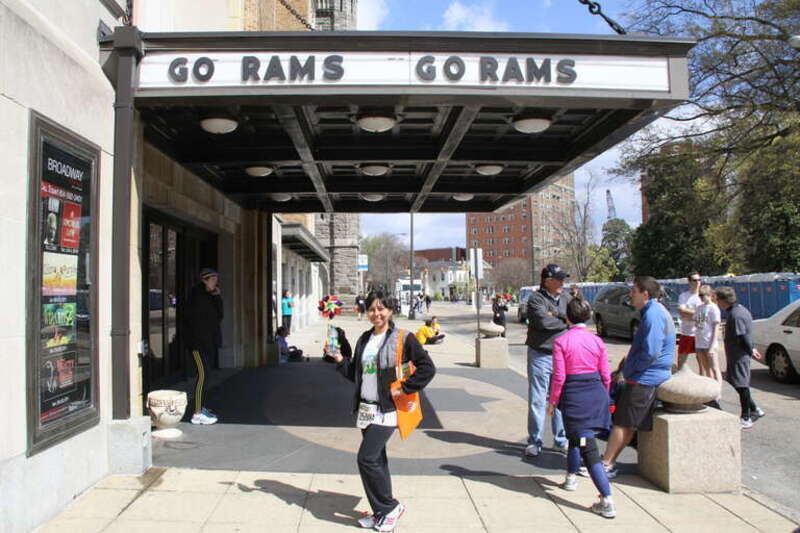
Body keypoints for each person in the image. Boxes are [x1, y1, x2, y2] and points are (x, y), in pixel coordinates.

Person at [329, 292, 435, 531]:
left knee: (365, 458)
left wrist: (405, 388)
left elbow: (428, 368)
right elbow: (356, 374)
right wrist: (338, 359)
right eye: (371, 309)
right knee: (377, 460)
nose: (376, 313)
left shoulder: (403, 338)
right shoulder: (365, 338)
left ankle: (390, 507)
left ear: (390, 310)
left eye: (381, 308)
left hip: (387, 410)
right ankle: (380, 511)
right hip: (366, 408)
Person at [548, 295, 615, 518]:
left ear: (567, 317)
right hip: (595, 392)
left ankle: (606, 498)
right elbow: (606, 375)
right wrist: (605, 397)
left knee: (587, 447)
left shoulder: (561, 341)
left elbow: (559, 376)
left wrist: (553, 401)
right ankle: (570, 477)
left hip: (574, 395)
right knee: (576, 438)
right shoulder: (597, 341)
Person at [601, 276, 674, 476]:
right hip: (645, 376)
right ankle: (609, 461)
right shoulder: (655, 312)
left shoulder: (653, 315)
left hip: (644, 378)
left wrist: (630, 371)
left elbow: (650, 352)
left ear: (645, 293)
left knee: (622, 423)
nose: (630, 295)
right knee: (628, 423)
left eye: (634, 291)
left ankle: (606, 463)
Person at [524, 263, 571, 456]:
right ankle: (535, 441)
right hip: (540, 355)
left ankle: (560, 440)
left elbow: (579, 317)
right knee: (537, 399)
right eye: (559, 279)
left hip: (562, 356)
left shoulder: (567, 298)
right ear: (547, 281)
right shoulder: (536, 299)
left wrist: (558, 315)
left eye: (563, 279)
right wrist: (564, 320)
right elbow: (543, 322)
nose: (562, 282)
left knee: (559, 399)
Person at [715, 287, 765, 429]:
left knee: (741, 385)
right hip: (735, 355)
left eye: (717, 300)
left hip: (739, 355)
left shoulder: (736, 315)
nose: (717, 303)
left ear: (723, 300)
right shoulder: (738, 310)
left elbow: (743, 336)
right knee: (734, 380)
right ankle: (755, 408)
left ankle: (746, 416)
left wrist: (751, 350)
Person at [185, 267, 223, 425]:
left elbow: (219, 316)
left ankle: (201, 407)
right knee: (203, 375)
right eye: (213, 279)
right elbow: (197, 322)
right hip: (197, 344)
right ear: (204, 280)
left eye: (216, 279)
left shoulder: (210, 296)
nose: (215, 282)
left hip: (207, 343)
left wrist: (217, 297)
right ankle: (197, 413)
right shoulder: (197, 296)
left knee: (206, 375)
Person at [694, 285, 722, 404]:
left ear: (709, 295)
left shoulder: (713, 308)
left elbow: (716, 327)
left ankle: (718, 392)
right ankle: (707, 391)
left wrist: (712, 346)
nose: (700, 297)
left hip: (709, 343)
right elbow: (697, 322)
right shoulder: (699, 307)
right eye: (699, 295)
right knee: (704, 369)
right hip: (700, 342)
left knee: (714, 368)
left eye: (702, 295)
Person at [677, 272, 703, 369]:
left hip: (700, 333)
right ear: (689, 281)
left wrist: (689, 314)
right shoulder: (683, 296)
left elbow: (706, 314)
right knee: (681, 361)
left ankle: (703, 381)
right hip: (686, 333)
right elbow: (681, 311)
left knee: (702, 362)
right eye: (694, 280)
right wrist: (699, 314)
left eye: (699, 280)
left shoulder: (703, 296)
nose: (697, 282)